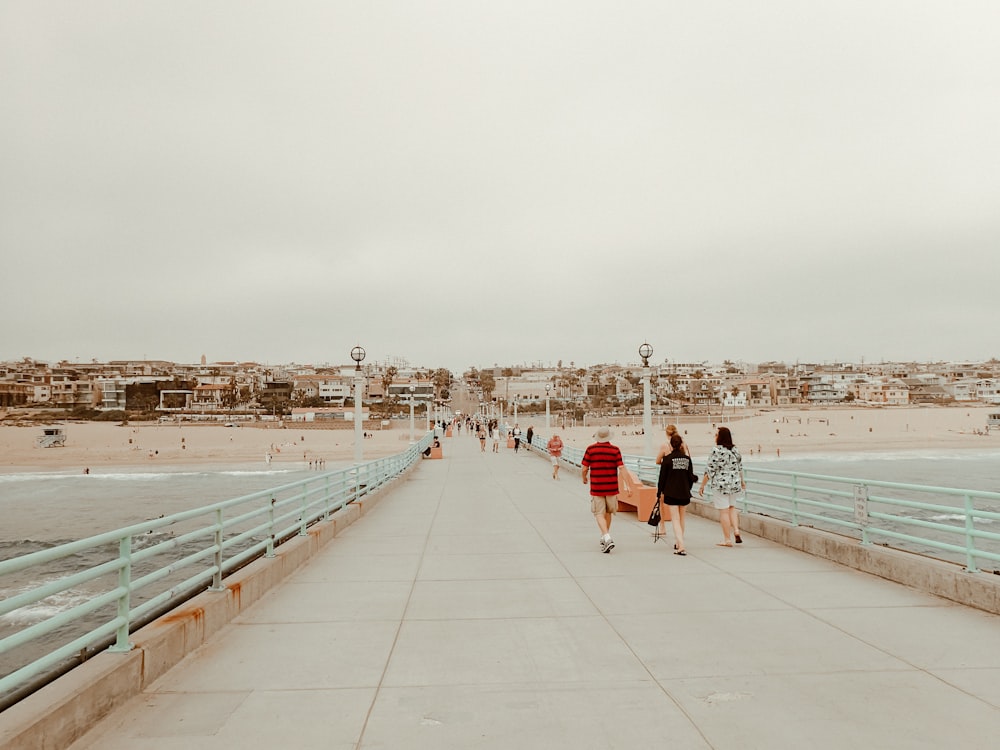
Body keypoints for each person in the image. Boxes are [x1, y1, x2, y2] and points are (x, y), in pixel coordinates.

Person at [581, 426, 633, 553]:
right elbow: (622, 468)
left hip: (597, 487)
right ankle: (605, 537)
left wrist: (584, 478)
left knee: (599, 513)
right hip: (612, 487)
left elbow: (584, 467)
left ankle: (607, 537)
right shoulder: (615, 450)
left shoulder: (591, 449)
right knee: (608, 513)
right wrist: (628, 486)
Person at [698, 426, 745, 546]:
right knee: (732, 508)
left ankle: (727, 539)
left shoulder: (716, 451)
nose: (715, 436)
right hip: (735, 483)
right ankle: (736, 530)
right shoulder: (735, 450)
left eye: (716, 434)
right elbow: (740, 468)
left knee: (724, 512)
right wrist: (742, 482)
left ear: (720, 437)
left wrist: (702, 485)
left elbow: (710, 470)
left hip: (721, 485)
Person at [656, 433, 696, 555]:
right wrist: (688, 489)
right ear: (681, 445)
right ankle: (679, 542)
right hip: (684, 492)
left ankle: (681, 545)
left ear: (671, 445)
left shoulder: (667, 460)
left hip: (671, 493)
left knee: (675, 519)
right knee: (682, 518)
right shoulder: (687, 460)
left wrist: (659, 492)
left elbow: (662, 478)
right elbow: (691, 477)